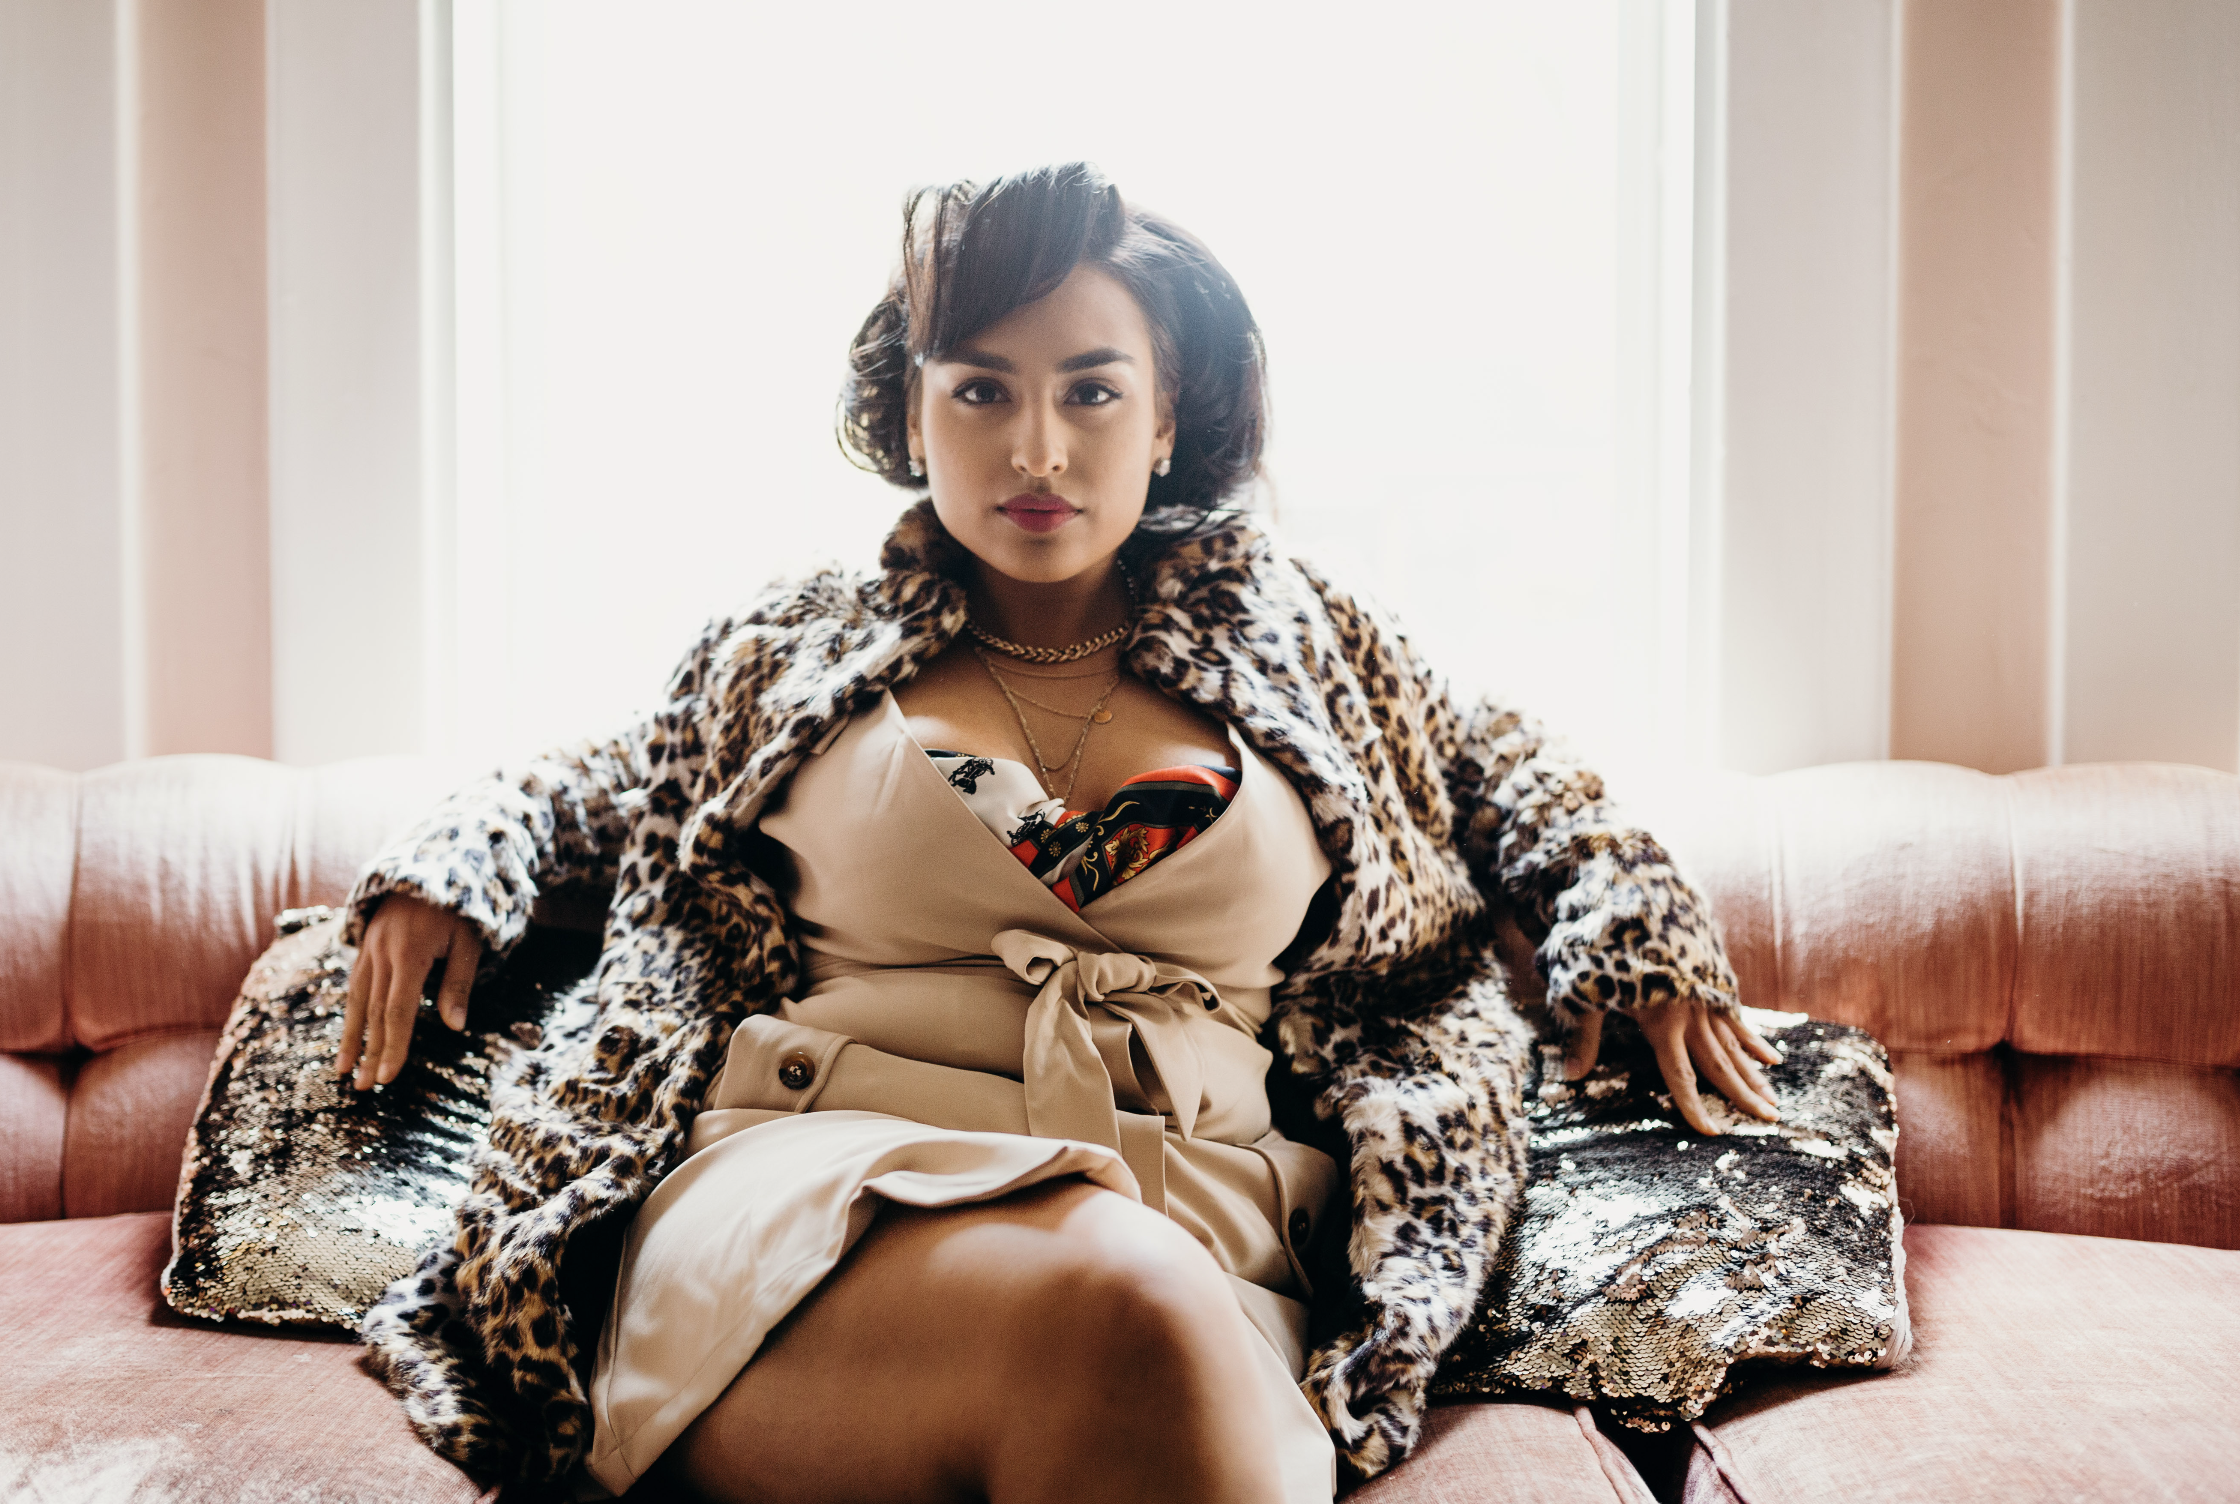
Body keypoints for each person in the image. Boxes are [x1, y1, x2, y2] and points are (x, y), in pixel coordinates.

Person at [335, 162, 1778, 1502]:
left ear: (1167, 421)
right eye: (980, 392)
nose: (1037, 445)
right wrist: (452, 870)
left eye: (1093, 393)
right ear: (912, 419)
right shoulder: (791, 652)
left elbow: (1530, 787)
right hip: (818, 1205)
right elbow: (590, 790)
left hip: (1210, 1226)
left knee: (1153, 1316)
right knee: (1124, 1314)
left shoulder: (1325, 654)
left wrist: (1635, 933)